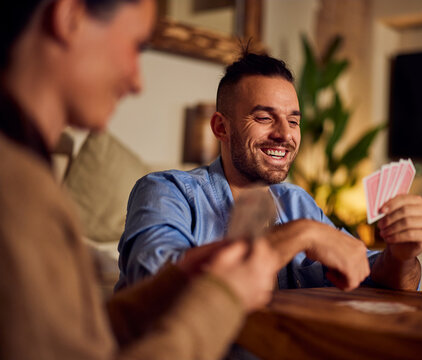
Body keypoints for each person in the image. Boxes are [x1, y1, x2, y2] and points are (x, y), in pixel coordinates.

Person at [0, 1, 279, 359]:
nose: (137, 81)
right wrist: (224, 298)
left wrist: (177, 284)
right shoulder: (18, 192)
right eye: (137, 46)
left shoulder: (28, 174)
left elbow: (72, 338)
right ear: (69, 18)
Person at [116, 51, 422, 294]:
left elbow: (371, 278)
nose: (285, 133)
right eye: (265, 118)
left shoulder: (297, 202)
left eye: (293, 121)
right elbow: (152, 279)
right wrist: (300, 235)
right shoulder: (165, 190)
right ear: (220, 127)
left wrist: (401, 256)